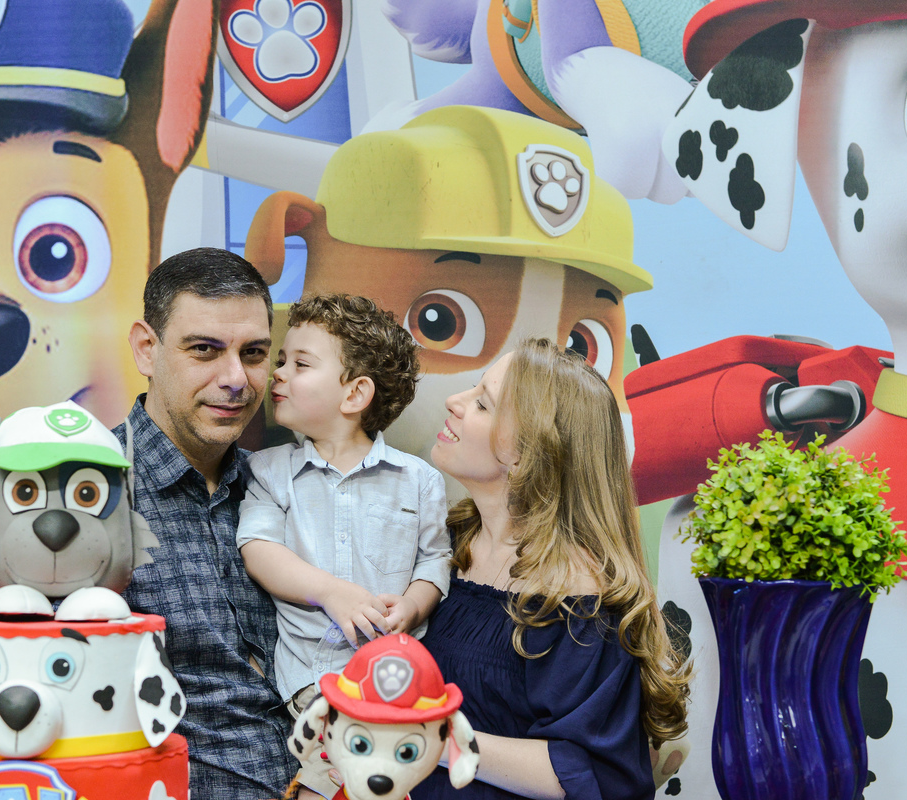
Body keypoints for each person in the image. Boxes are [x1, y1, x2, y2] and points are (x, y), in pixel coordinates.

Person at [412, 338, 690, 800]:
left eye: (482, 404)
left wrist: (433, 740)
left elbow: (584, 771)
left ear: (529, 451)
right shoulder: (446, 540)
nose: (454, 402)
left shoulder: (581, 597)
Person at [236, 294, 452, 799]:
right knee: (335, 770)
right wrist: (331, 592)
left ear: (355, 394)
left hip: (397, 682)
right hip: (313, 683)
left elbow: (436, 559)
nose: (278, 374)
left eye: (300, 364)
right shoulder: (269, 471)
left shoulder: (419, 479)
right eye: (281, 360)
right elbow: (258, 547)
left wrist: (413, 605)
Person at [117, 247, 293, 799]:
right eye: (205, 350)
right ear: (147, 349)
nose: (236, 379)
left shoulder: (286, 487)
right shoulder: (88, 492)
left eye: (254, 353)